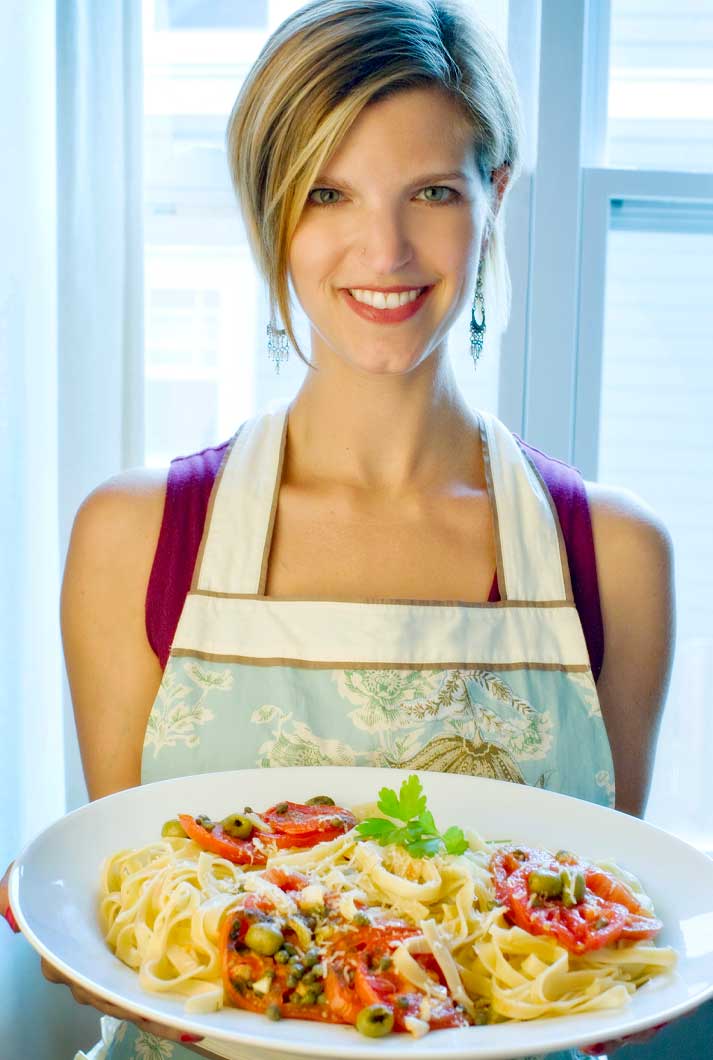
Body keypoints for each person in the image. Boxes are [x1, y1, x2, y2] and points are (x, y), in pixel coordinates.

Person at [1, 2, 679, 1058]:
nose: (384, 248)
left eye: (433, 192)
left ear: (494, 200)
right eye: (326, 192)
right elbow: (132, 912)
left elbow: (595, 959)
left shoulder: (616, 558)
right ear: (268, 213)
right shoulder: (134, 537)